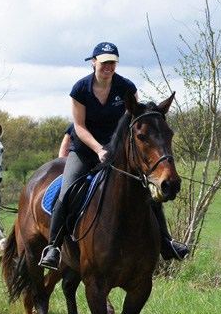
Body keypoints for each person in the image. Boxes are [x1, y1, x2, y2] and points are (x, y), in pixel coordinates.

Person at [39, 41, 189, 270]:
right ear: (93, 62)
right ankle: (53, 247)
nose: (108, 67)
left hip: (117, 150)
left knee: (148, 191)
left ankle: (166, 243)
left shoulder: (126, 87)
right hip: (85, 150)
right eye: (104, 62)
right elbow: (79, 127)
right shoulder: (80, 89)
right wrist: (98, 149)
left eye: (112, 62)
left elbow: (135, 121)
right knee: (67, 191)